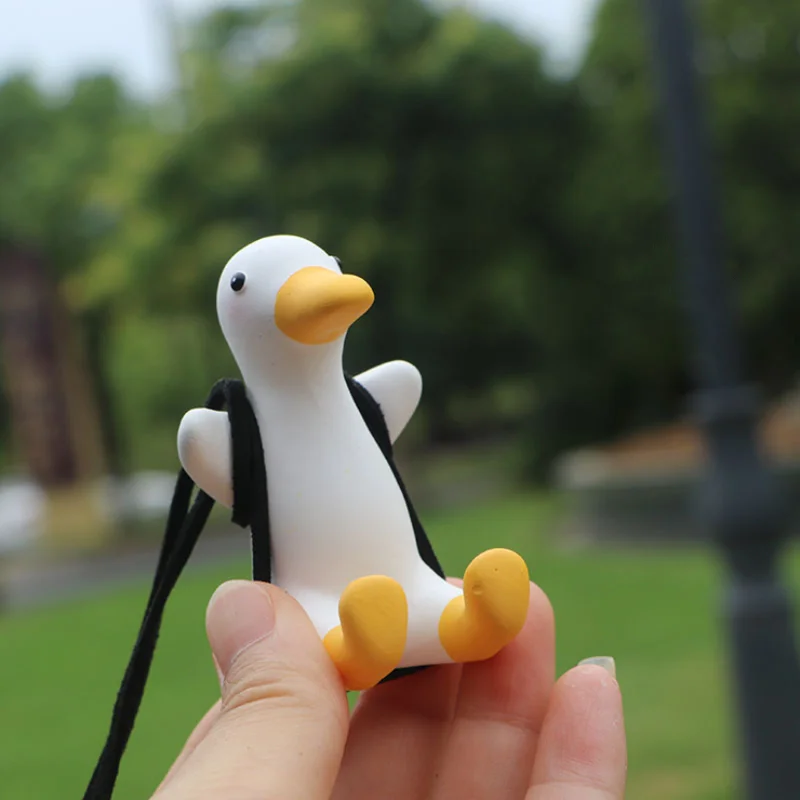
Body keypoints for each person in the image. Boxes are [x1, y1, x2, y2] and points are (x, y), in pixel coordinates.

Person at [153, 578, 627, 799]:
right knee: (332, 634)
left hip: (408, 580)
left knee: (439, 608)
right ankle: (360, 643)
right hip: (322, 600)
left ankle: (475, 622)